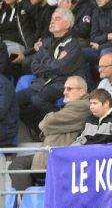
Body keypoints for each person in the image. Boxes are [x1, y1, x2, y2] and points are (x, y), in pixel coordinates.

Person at [9, 76, 89, 190]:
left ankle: (26, 201)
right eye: (64, 88)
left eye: (69, 89)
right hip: (52, 152)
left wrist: (50, 124)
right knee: (17, 165)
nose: (65, 92)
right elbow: (49, 125)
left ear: (81, 91)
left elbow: (46, 124)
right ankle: (27, 201)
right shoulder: (72, 105)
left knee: (18, 165)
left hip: (60, 156)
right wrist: (51, 125)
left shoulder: (82, 106)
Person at [17, 8, 84, 137]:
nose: (52, 21)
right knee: (15, 101)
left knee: (38, 99)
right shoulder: (46, 41)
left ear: (68, 24)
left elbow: (61, 68)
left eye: (57, 19)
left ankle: (59, 127)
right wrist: (52, 62)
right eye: (52, 19)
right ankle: (38, 129)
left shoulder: (73, 44)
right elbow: (34, 67)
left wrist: (45, 58)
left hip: (61, 84)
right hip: (41, 83)